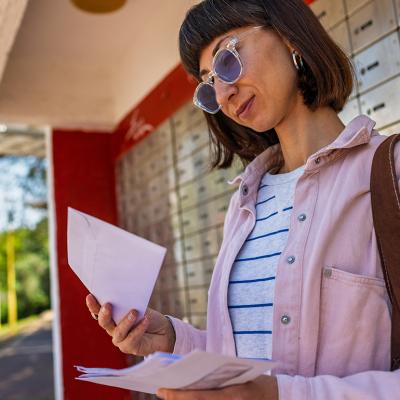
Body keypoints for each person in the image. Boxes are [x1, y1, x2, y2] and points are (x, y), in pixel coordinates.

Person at [86, 0, 400, 398]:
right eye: (209, 85)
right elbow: (245, 360)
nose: (225, 92)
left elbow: (264, 388)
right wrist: (173, 339)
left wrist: (274, 395)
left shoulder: (390, 173)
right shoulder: (245, 204)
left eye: (227, 60)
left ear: (289, 35)